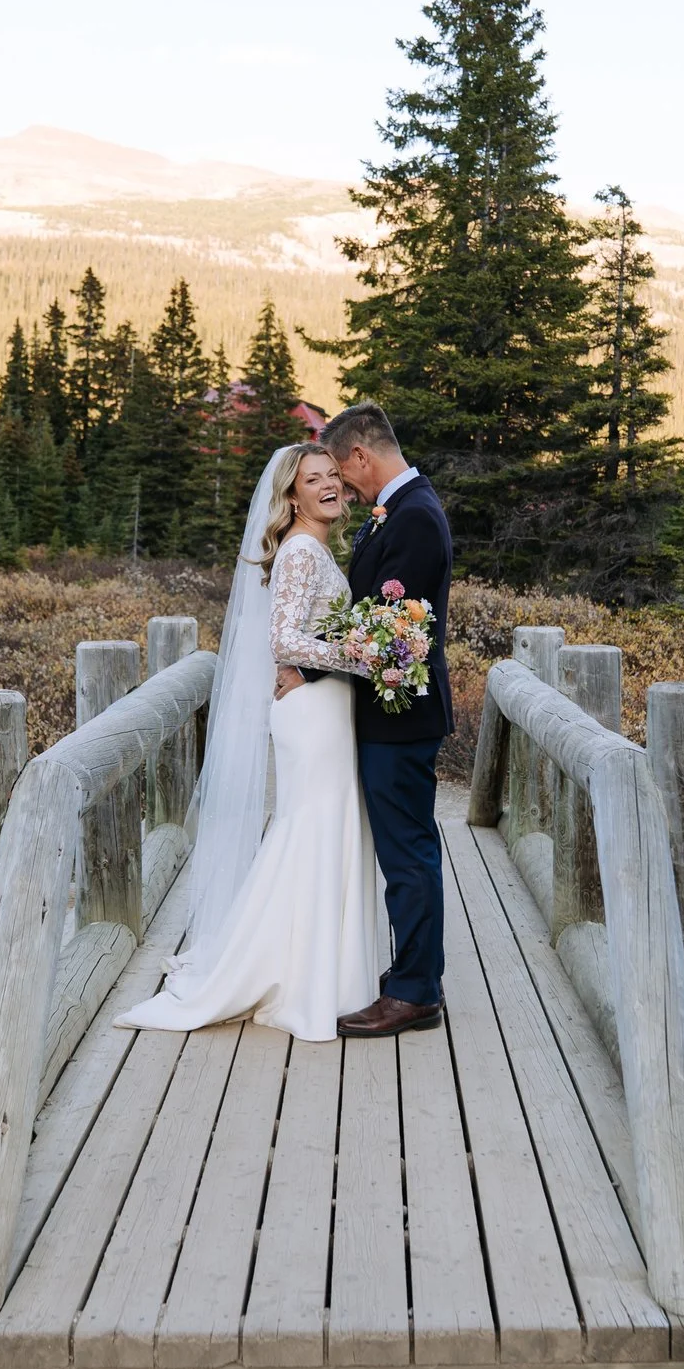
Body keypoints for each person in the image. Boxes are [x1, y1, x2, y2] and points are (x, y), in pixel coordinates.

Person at [115, 444, 388, 1041]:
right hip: (312, 713)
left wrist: (352, 655)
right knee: (311, 830)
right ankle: (288, 975)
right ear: (290, 496)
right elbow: (286, 641)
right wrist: (364, 658)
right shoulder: (297, 552)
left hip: (327, 707)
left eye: (333, 478)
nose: (329, 488)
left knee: (329, 828)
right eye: (313, 480)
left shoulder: (314, 549)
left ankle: (328, 974)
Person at [297, 402, 454, 1039]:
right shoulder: (403, 506)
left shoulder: (414, 516)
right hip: (389, 713)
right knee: (403, 848)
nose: (343, 485)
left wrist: (305, 669)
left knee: (408, 852)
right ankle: (412, 977)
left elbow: (391, 633)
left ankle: (415, 992)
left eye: (342, 470)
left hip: (402, 717)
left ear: (361, 456)